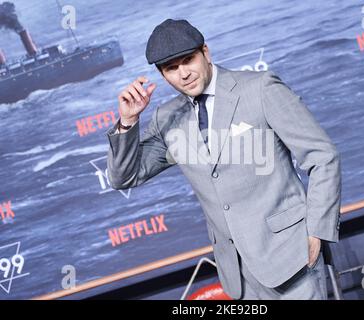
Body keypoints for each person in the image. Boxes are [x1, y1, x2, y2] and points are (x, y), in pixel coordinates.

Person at [106, 18, 341, 300]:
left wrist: (318, 231)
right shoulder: (166, 119)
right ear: (162, 74)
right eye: (171, 68)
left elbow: (322, 156)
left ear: (206, 52)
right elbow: (124, 177)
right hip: (238, 275)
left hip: (293, 256)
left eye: (188, 60)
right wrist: (128, 122)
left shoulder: (260, 88)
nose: (183, 74)